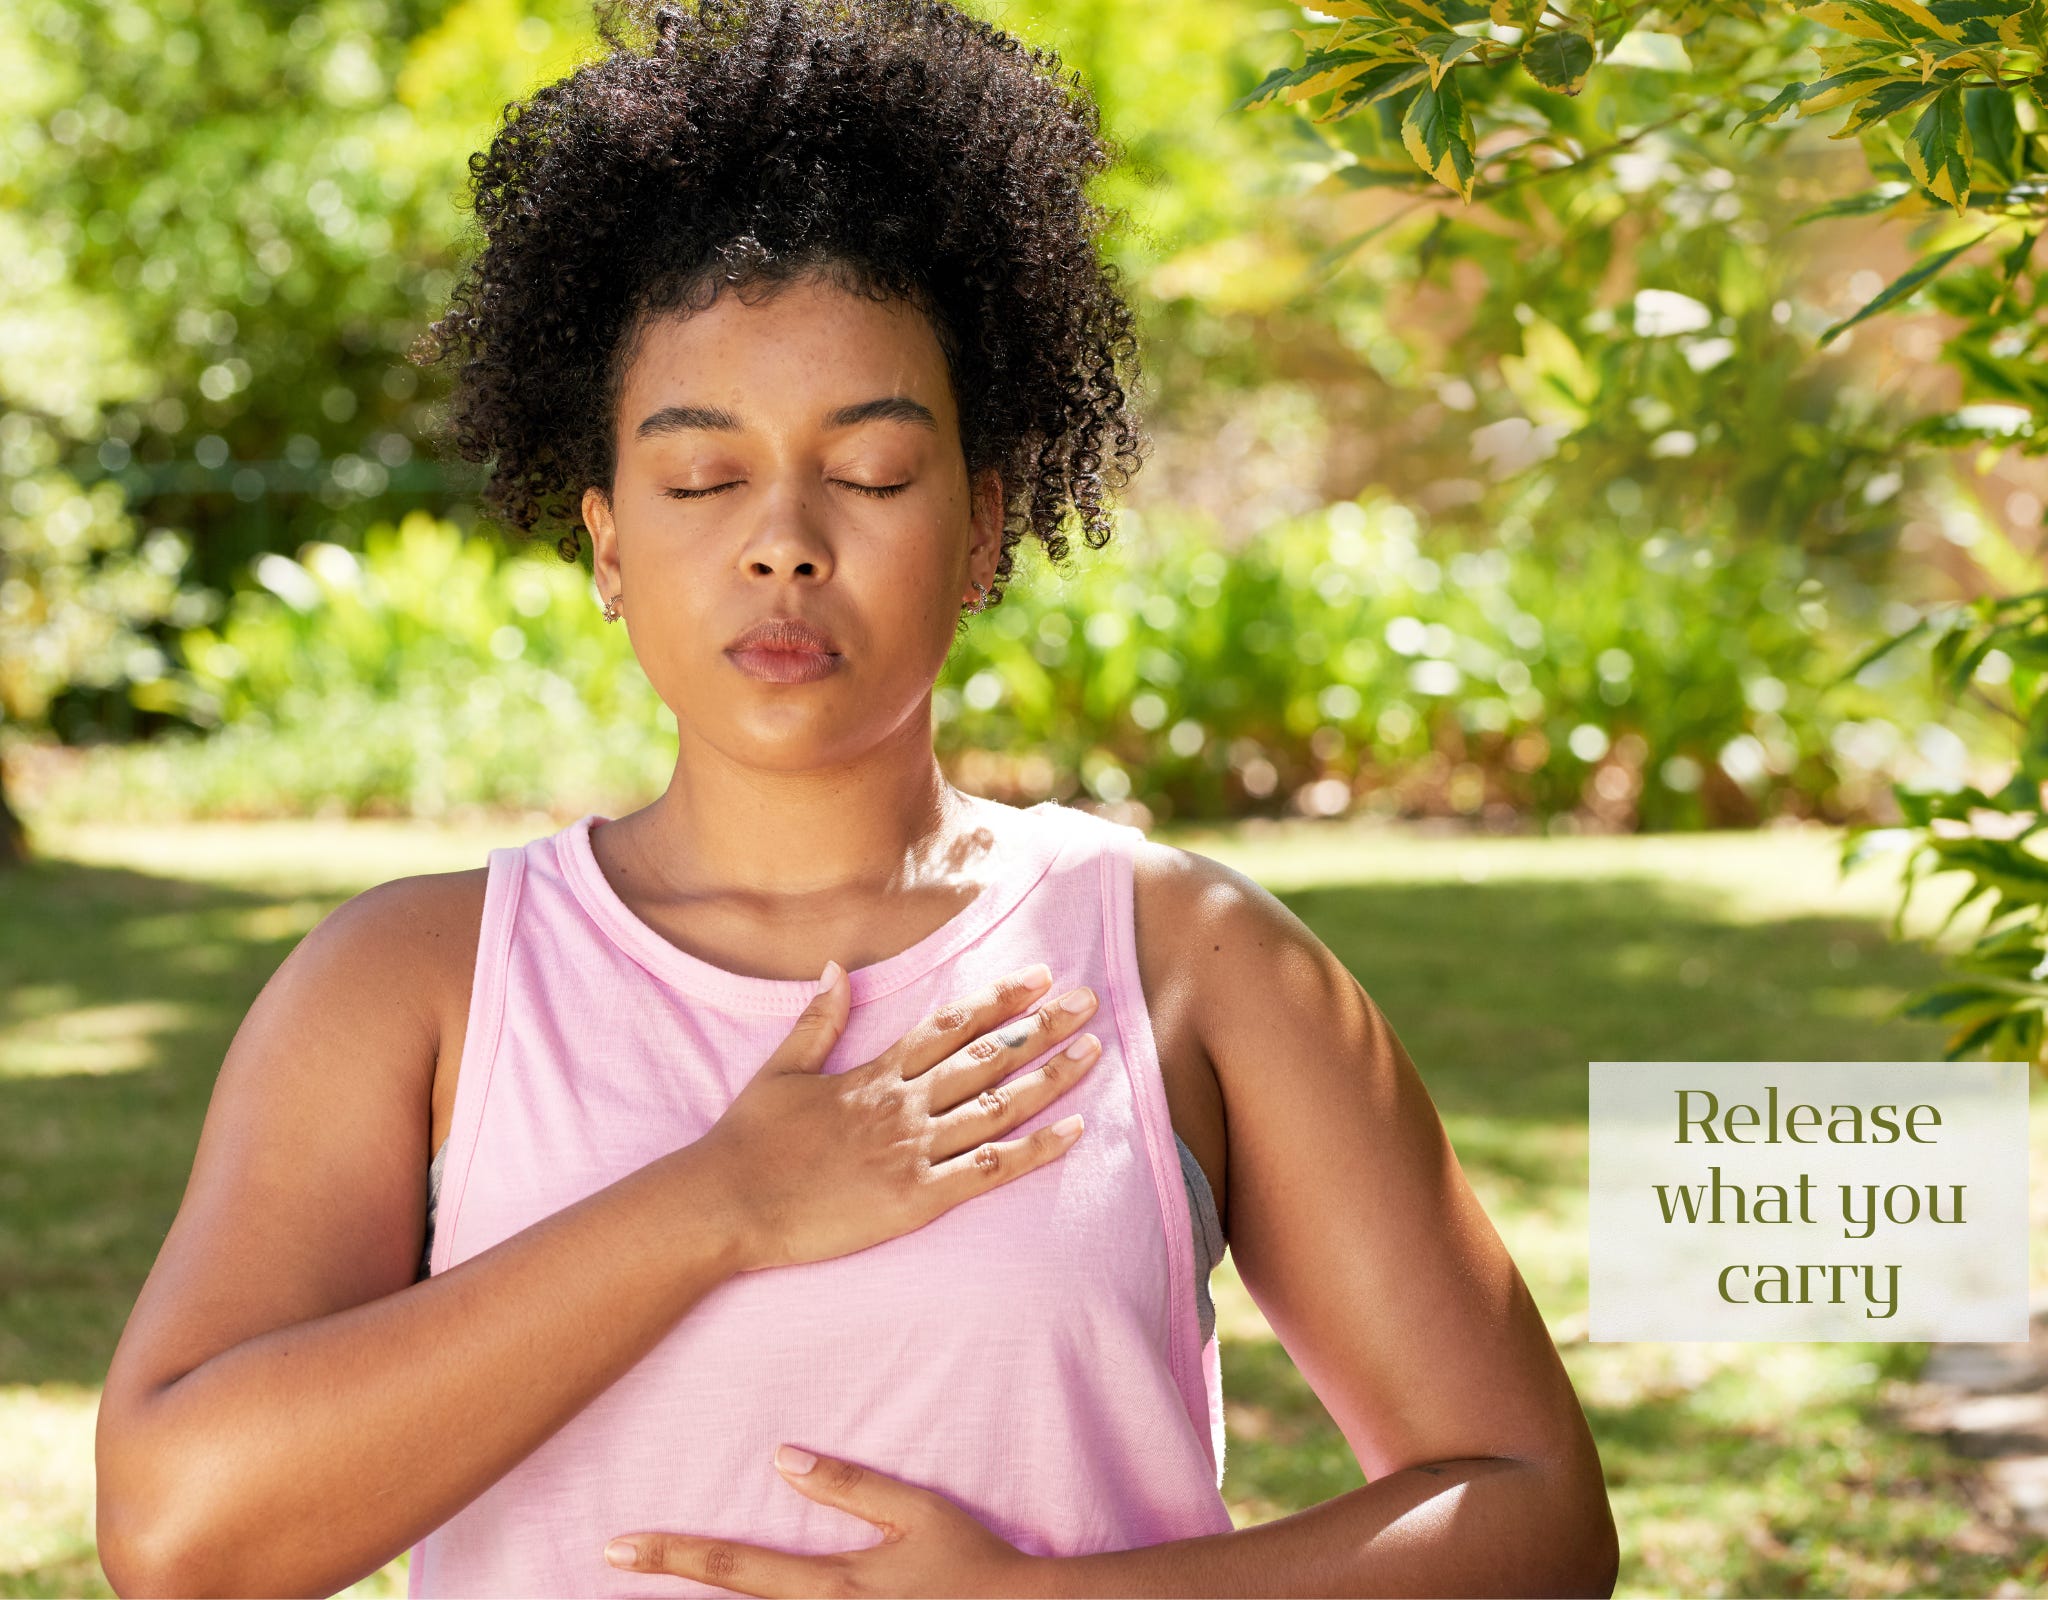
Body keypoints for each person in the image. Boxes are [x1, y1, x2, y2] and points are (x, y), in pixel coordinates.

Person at [93, 1, 1619, 1594]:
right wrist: (725, 1202)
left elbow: (1532, 1518)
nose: (785, 540)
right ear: (608, 541)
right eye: (700, 480)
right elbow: (180, 1536)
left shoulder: (1186, 959)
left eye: (875, 473)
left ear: (980, 527)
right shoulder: (410, 987)